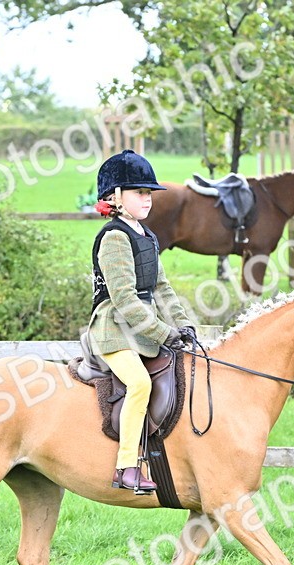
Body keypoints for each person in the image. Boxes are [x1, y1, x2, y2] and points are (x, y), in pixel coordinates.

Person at [88, 149, 196, 494]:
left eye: (149, 193)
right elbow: (125, 301)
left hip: (142, 328)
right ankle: (126, 467)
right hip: (114, 329)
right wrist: (165, 332)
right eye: (140, 193)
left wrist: (183, 324)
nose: (147, 199)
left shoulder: (146, 235)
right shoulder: (114, 237)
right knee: (139, 384)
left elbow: (162, 288)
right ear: (115, 197)